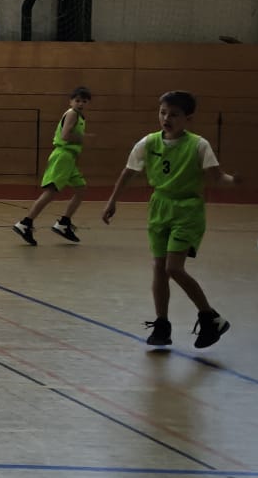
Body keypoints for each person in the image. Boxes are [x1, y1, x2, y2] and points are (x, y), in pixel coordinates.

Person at [101, 90, 235, 349]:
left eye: (174, 114)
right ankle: (162, 325)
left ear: (188, 118)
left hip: (187, 209)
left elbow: (217, 177)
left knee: (173, 268)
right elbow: (128, 172)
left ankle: (210, 317)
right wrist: (112, 200)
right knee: (159, 268)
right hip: (159, 207)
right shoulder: (148, 142)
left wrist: (236, 180)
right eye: (163, 113)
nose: (166, 118)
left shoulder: (198, 145)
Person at [13, 86, 92, 245]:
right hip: (63, 156)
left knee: (81, 189)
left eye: (84, 101)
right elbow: (65, 135)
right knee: (51, 192)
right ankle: (25, 223)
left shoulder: (79, 117)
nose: (80, 104)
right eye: (77, 100)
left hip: (69, 158)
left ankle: (64, 223)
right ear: (71, 101)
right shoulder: (72, 114)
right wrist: (83, 137)